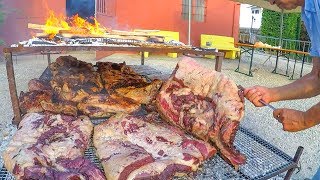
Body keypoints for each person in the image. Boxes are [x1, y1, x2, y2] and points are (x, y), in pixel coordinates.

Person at [244, 0, 320, 179]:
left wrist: (305, 119)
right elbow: (317, 77)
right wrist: (271, 94)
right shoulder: (309, 12)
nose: (269, 1)